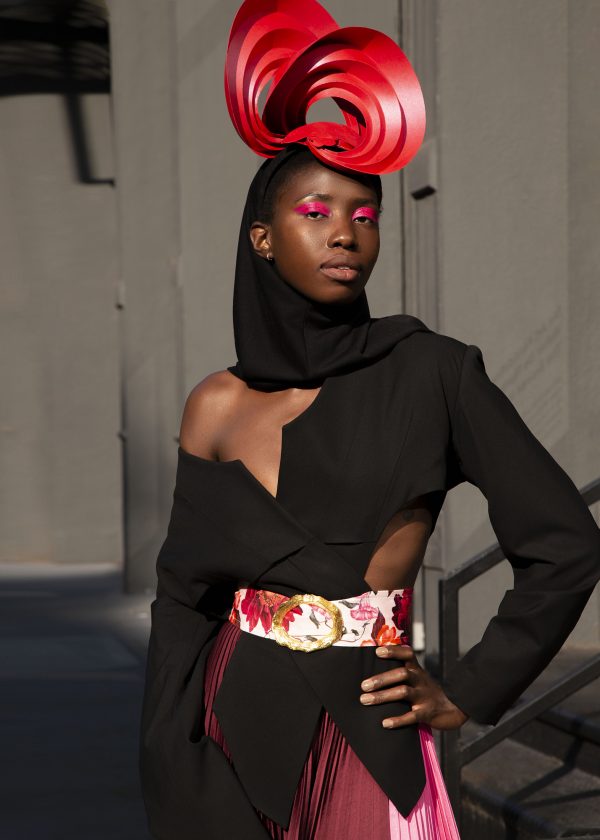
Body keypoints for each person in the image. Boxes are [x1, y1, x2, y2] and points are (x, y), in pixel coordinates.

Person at [139, 3, 600, 839]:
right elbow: (183, 597)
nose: (345, 233)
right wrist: (169, 747)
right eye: (315, 212)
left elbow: (565, 542)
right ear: (262, 239)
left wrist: (469, 687)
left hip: (366, 729)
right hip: (225, 730)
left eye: (364, 214)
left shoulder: (432, 372)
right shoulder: (215, 404)